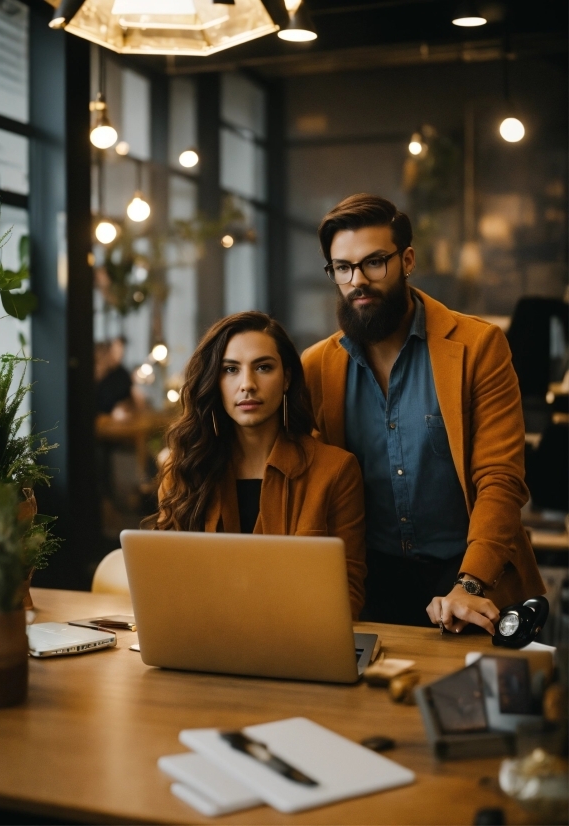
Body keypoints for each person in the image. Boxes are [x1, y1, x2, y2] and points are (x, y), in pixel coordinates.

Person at [301, 193, 545, 634]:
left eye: (375, 262)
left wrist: (469, 583)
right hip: (369, 582)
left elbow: (500, 479)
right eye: (343, 268)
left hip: (470, 573)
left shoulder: (479, 347)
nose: (358, 280)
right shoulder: (316, 368)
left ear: (407, 259)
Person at [152, 311, 367, 619]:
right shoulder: (184, 468)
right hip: (203, 639)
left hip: (297, 645)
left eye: (263, 367)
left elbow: (348, 596)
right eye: (230, 370)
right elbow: (163, 584)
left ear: (287, 378)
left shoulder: (336, 471)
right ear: (214, 381)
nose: (247, 385)